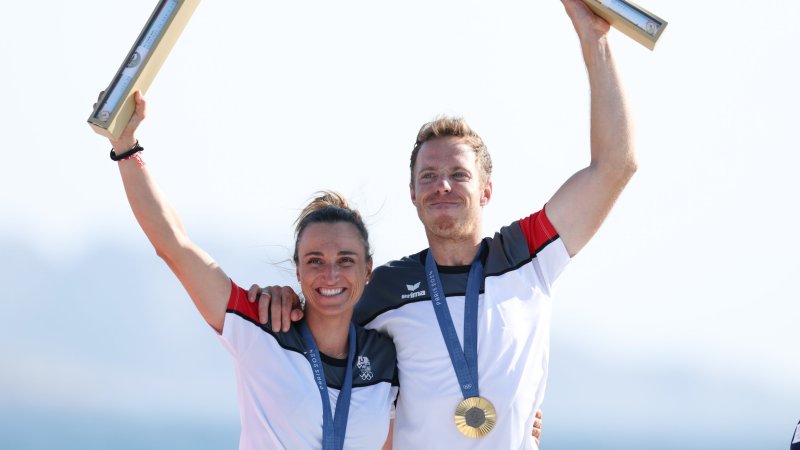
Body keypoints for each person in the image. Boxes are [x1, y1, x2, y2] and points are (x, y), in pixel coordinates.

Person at [252, 0, 637, 448]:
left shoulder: (526, 255)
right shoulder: (385, 287)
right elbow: (320, 332)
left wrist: (596, 40)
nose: (443, 187)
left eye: (459, 175)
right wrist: (282, 298)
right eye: (428, 177)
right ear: (412, 193)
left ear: (486, 190)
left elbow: (615, 166)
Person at [100, 92, 399, 449]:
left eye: (345, 261)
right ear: (298, 270)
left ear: (368, 270)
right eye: (315, 260)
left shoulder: (386, 356)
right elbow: (174, 246)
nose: (330, 274)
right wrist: (126, 147)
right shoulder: (260, 327)